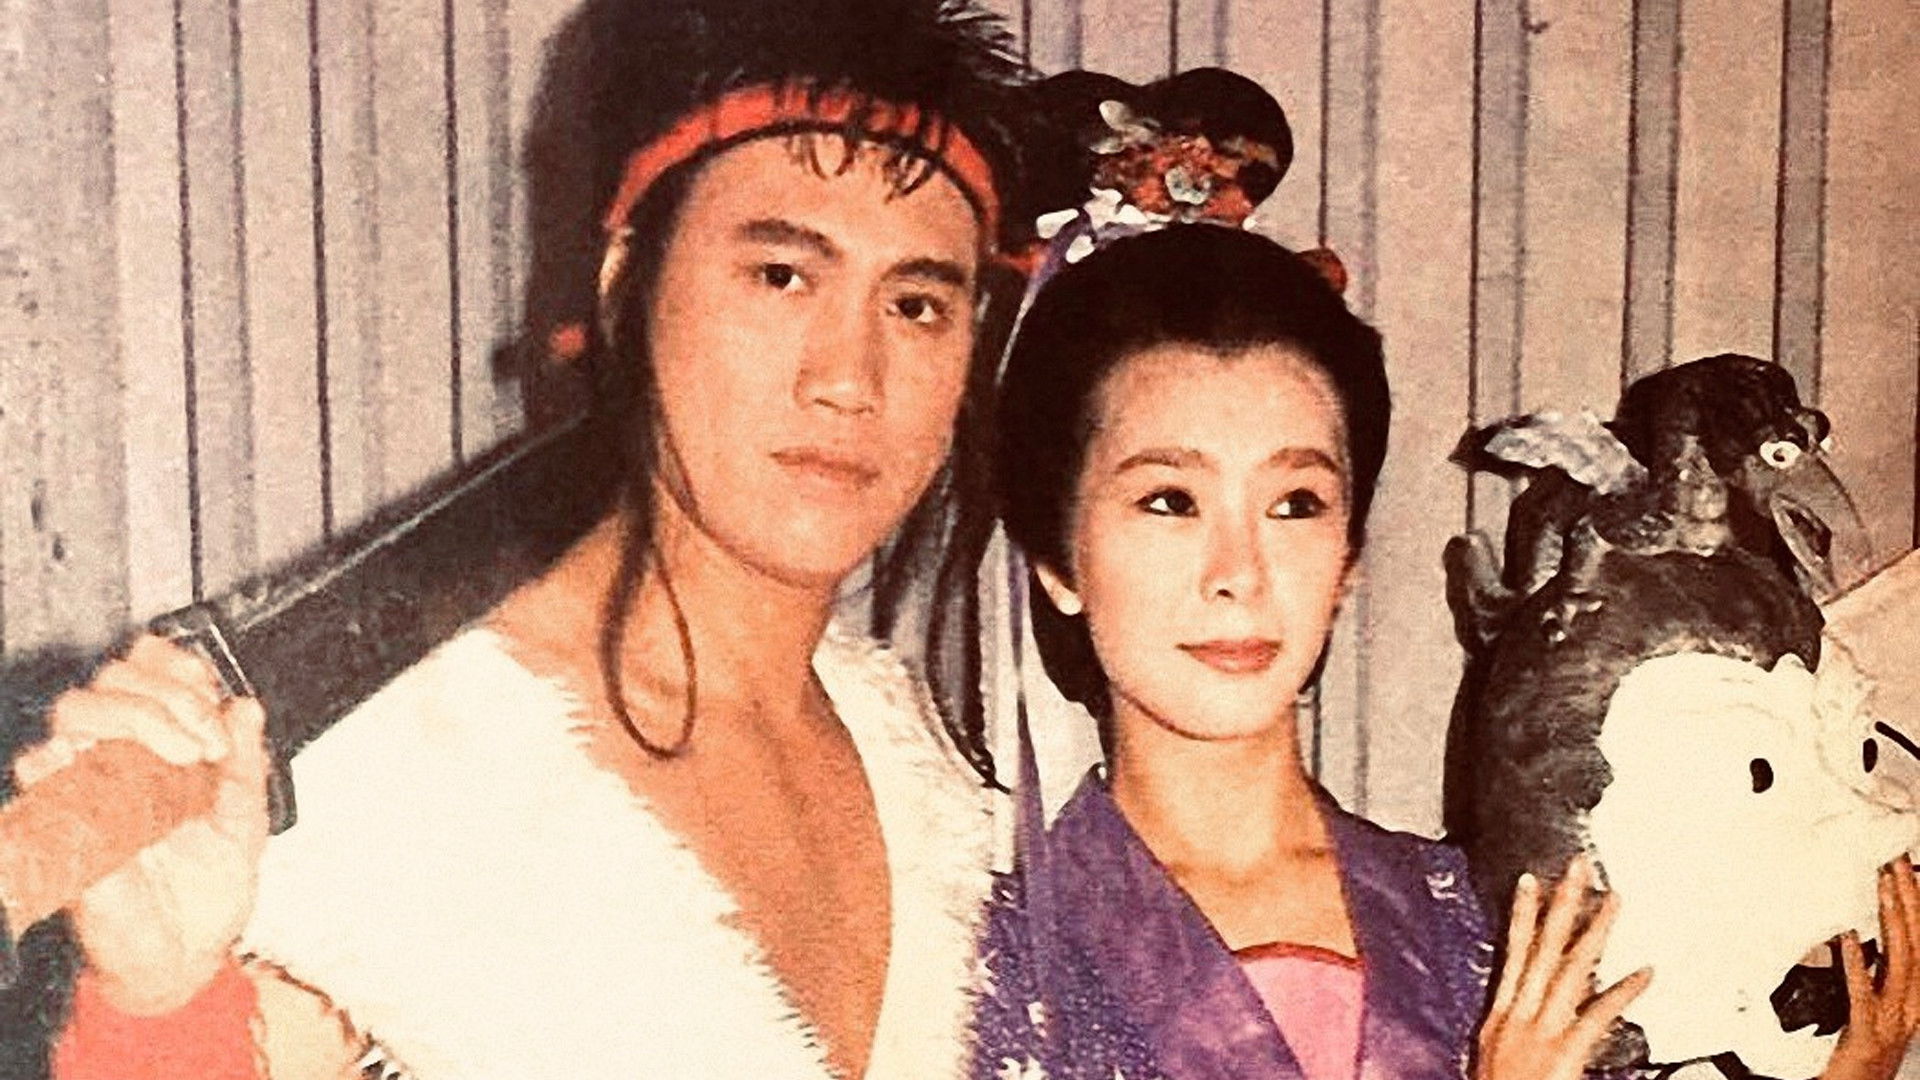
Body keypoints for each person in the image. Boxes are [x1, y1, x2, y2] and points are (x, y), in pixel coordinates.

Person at [12, 1, 1027, 1077]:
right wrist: (157, 1009)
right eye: (782, 275)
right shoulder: (382, 771)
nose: (848, 378)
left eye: (916, 305)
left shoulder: (934, 781)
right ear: (625, 286)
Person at [966, 76, 1649, 1075]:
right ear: (1056, 560)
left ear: (1349, 559)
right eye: (1170, 500)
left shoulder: (1486, 918)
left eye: (1294, 504)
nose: (1239, 573)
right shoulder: (981, 969)